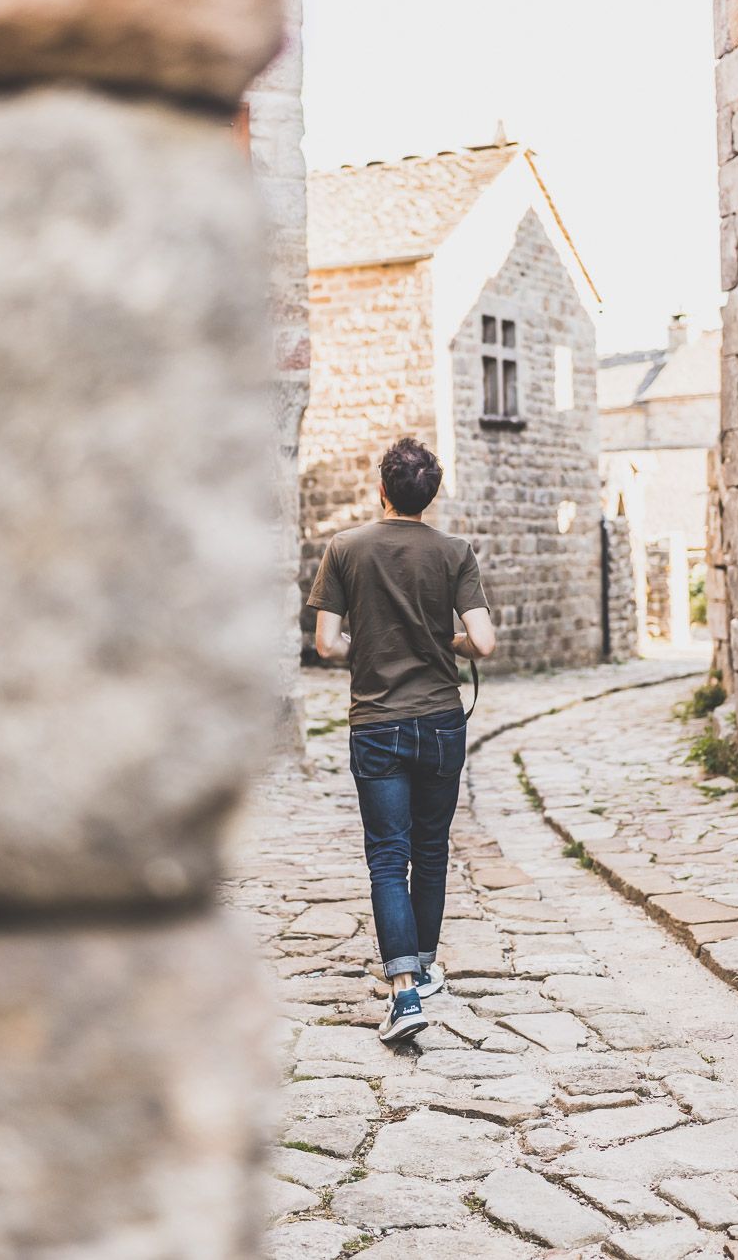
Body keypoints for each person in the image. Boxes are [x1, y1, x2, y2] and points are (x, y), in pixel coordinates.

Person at [307, 437, 495, 1043]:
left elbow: (326, 645)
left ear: (381, 489)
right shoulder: (455, 552)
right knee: (432, 849)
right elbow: (483, 643)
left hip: (377, 723)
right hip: (441, 722)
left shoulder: (344, 549)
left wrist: (370, 643)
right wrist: (445, 642)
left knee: (389, 856)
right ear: (430, 494)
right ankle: (427, 965)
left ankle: (405, 992)